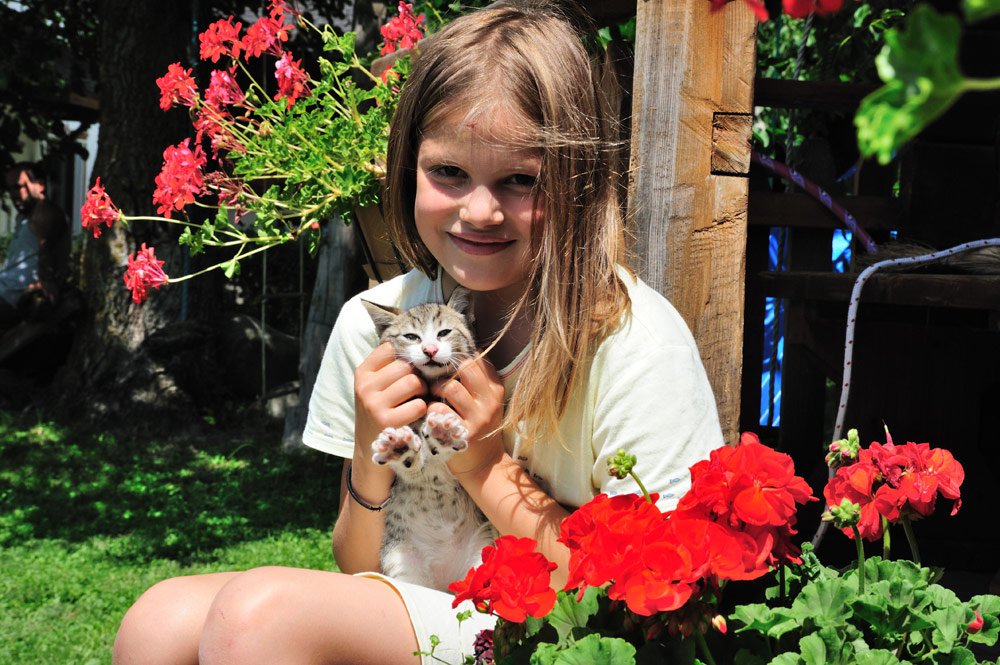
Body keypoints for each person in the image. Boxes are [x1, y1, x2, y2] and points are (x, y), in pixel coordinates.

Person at [112, 2, 724, 663]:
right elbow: (358, 561)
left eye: (521, 180)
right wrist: (369, 451)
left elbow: (649, 594)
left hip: (576, 628)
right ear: (408, 168)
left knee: (257, 618)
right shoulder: (380, 322)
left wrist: (484, 465)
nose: (480, 210)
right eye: (449, 172)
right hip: (436, 594)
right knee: (159, 621)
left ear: (580, 184)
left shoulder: (633, 340)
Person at [1, 162, 70, 326]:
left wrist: (46, 283)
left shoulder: (45, 212)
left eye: (18, 187)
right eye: (10, 189)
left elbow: (46, 251)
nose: (13, 194)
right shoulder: (26, 217)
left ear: (40, 185)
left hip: (11, 299)